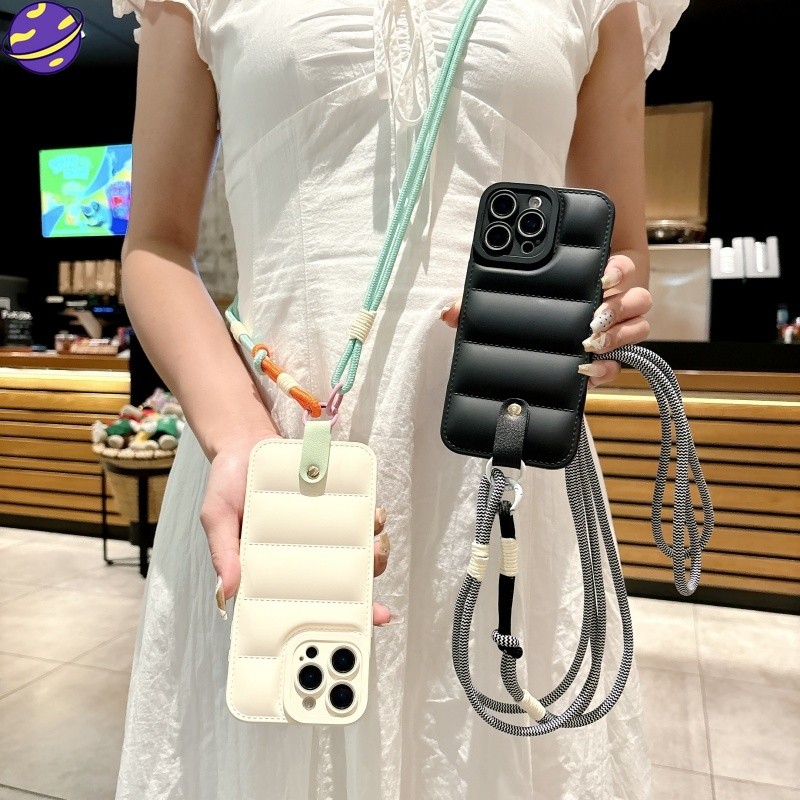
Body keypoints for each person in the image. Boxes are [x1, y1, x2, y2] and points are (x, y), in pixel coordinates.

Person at [111, 0, 686, 797]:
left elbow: (620, 248)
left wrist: (602, 307)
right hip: (275, 459)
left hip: (503, 464)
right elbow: (154, 246)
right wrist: (238, 436)